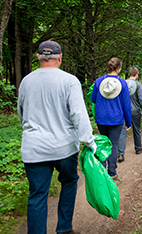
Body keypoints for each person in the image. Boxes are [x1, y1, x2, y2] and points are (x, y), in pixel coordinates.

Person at [17, 40, 96, 234]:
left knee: (37, 195)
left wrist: (30, 131)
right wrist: (89, 141)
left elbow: (21, 112)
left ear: (38, 57)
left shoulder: (27, 81)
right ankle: (64, 229)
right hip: (64, 147)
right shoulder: (69, 81)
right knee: (69, 182)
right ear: (60, 58)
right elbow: (78, 114)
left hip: (34, 148)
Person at [91, 57, 132, 179]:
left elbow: (93, 98)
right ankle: (112, 173)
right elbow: (127, 105)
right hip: (116, 119)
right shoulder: (122, 83)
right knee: (113, 145)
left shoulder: (99, 81)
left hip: (101, 117)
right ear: (119, 68)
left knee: (103, 144)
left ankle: (102, 172)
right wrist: (128, 122)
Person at [117, 67, 142, 163]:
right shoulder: (138, 84)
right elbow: (141, 98)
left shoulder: (122, 83)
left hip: (124, 111)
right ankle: (138, 148)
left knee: (123, 131)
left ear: (129, 74)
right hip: (135, 111)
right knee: (136, 129)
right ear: (137, 74)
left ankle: (120, 154)